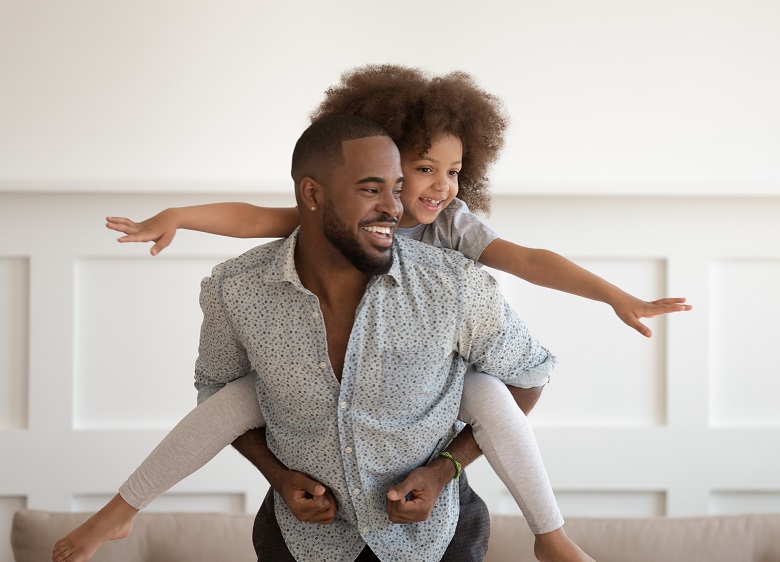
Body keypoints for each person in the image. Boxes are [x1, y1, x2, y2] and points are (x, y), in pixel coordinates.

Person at [55, 65, 690, 562]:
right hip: (303, 542)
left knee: (490, 391)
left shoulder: (455, 254)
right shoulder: (250, 280)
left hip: (436, 522)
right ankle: (122, 508)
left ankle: (549, 532)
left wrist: (614, 295)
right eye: (409, 174)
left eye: (451, 172)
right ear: (318, 193)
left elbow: (529, 264)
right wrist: (178, 217)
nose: (423, 192)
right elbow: (252, 220)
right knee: (232, 397)